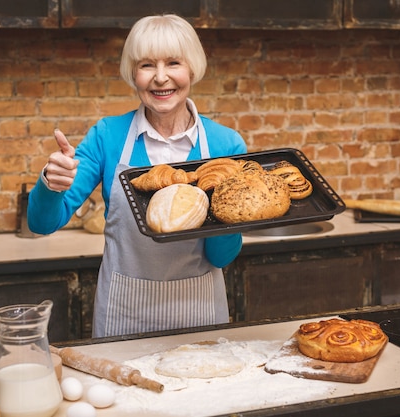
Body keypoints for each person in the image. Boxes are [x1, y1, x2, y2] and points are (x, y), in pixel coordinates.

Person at [28, 14, 247, 338]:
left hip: (198, 311)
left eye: (173, 63)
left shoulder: (224, 145)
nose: (160, 78)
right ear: (133, 73)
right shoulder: (107, 136)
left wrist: (227, 217)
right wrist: (51, 183)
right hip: (124, 311)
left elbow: (221, 256)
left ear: (192, 69)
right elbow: (42, 223)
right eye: (147, 65)